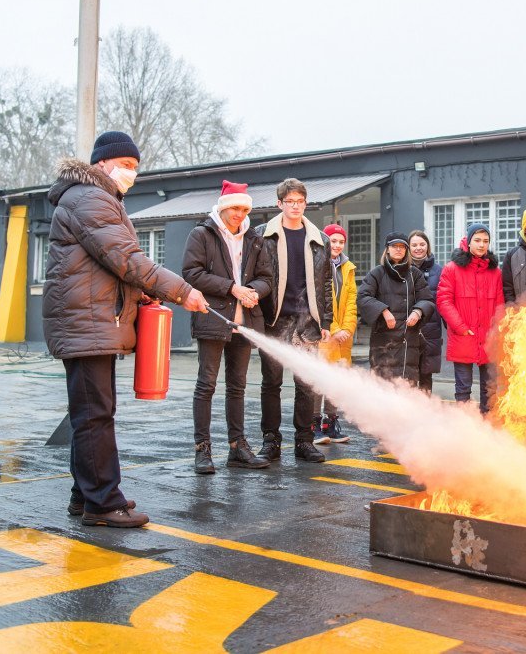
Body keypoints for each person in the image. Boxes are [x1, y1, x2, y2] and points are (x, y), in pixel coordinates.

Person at [43, 130, 208, 528]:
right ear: (102, 163)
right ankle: (102, 504)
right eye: (127, 165)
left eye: (136, 166)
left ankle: (85, 496)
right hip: (86, 324)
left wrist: (142, 296)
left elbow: (112, 268)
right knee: (95, 414)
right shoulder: (90, 198)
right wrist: (181, 291)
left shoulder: (95, 198)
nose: (132, 173)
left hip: (92, 322)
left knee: (94, 413)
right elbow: (126, 259)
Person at [182, 181, 274, 475]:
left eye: (245, 208)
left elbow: (266, 277)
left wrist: (254, 292)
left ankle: (238, 448)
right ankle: (202, 449)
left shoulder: (254, 239)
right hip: (212, 319)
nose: (240, 213)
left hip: (245, 321)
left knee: (237, 386)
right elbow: (192, 273)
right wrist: (232, 288)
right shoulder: (202, 234)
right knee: (206, 385)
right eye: (235, 207)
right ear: (223, 207)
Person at [255, 179, 333, 464]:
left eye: (299, 201)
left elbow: (326, 284)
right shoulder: (262, 236)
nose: (295, 206)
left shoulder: (320, 239)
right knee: (271, 383)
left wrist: (326, 320)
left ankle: (304, 440)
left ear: (305, 203)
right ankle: (271, 441)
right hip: (275, 319)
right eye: (289, 201)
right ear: (279, 204)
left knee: (305, 384)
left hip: (307, 321)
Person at [436, 223, 504, 414]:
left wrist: (497, 329)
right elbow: (443, 301)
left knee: (489, 389)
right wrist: (461, 327)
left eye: (486, 241)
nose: (482, 245)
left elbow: (500, 304)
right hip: (464, 335)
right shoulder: (452, 269)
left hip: (489, 338)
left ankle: (488, 426)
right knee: (463, 388)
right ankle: (464, 428)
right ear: (468, 241)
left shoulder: (495, 272)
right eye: (477, 240)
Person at [356, 232, 436, 385]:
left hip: (409, 339)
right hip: (383, 340)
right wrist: (383, 311)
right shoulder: (376, 273)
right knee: (383, 385)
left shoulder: (415, 274)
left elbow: (427, 299)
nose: (398, 249)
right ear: (387, 249)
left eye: (402, 246)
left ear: (406, 250)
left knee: (407, 386)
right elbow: (363, 297)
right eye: (394, 246)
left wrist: (418, 311)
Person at [313, 223, 357, 445]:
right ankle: (313, 426)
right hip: (323, 333)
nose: (337, 245)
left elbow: (351, 302)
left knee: (335, 381)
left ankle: (330, 424)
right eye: (333, 240)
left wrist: (348, 329)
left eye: (341, 241)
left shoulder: (348, 268)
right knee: (319, 381)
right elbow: (320, 301)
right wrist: (335, 328)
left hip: (341, 338)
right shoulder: (317, 264)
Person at [408, 230, 444, 393]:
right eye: (414, 245)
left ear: (428, 246)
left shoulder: (439, 270)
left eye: (422, 244)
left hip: (430, 329)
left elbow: (443, 299)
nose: (418, 248)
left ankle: (425, 413)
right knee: (407, 374)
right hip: (408, 328)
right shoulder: (402, 269)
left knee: (426, 375)